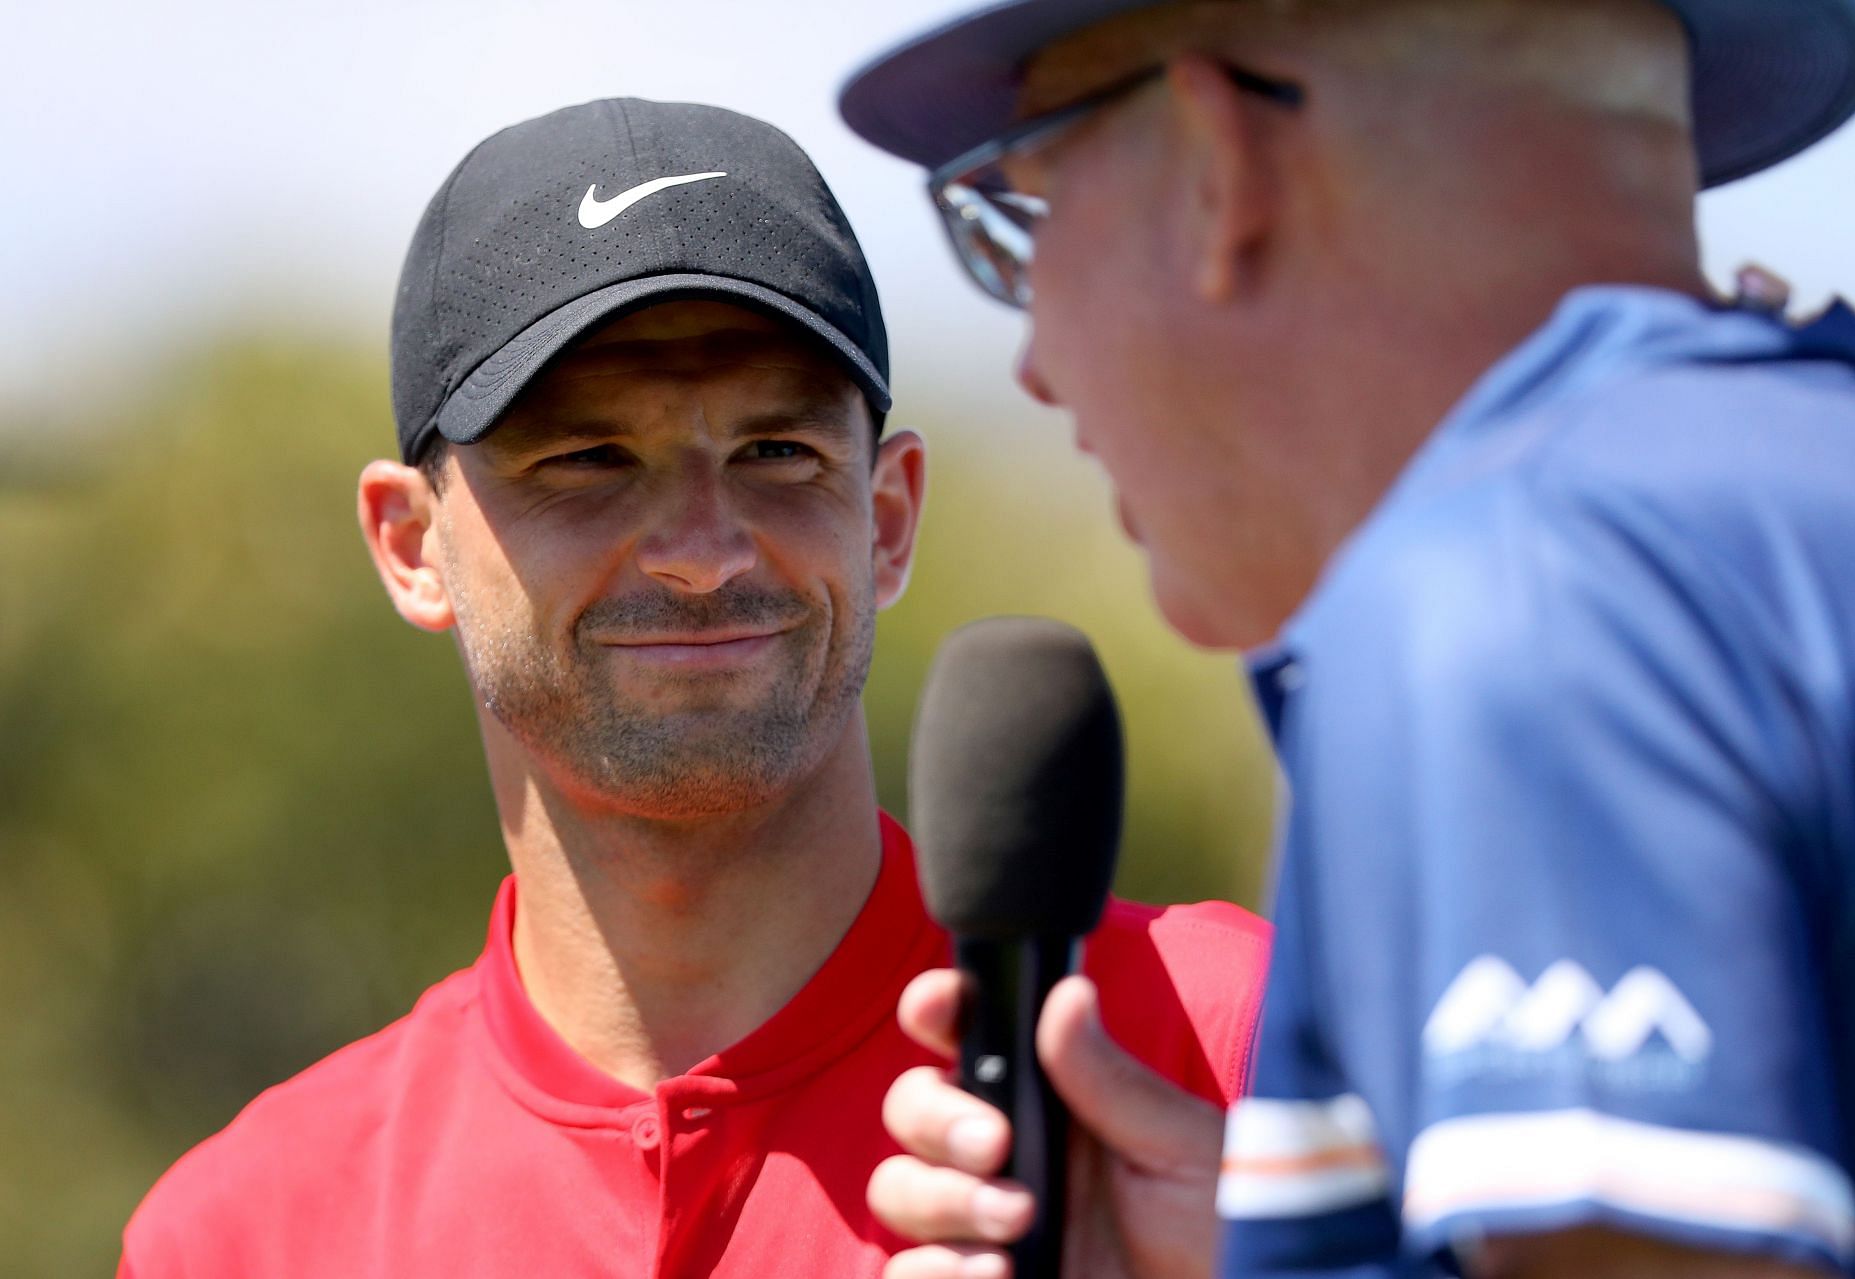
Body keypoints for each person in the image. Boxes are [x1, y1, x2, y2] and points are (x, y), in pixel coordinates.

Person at [837, 1, 1855, 1277]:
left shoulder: (1523, 591)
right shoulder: (1847, 480)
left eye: (1030, 217)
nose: (1036, 365)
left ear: (1216, 162)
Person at [116, 97, 1271, 1279]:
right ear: (412, 544)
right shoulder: (248, 1232)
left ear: (885, 517)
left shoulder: (1233, 1054)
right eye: (587, 461)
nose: (704, 550)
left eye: (778, 454)